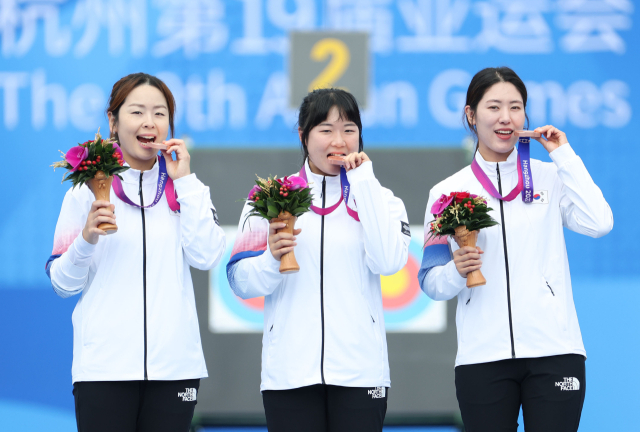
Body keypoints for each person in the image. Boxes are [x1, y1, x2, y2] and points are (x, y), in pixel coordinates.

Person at [418, 67, 613, 432]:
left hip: (555, 351)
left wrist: (564, 155)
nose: (506, 118)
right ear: (471, 115)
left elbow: (599, 222)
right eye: (493, 107)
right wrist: (456, 270)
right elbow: (431, 283)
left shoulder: (551, 177)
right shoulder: (445, 194)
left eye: (516, 107)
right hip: (482, 358)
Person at [45, 73, 226, 432]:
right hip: (103, 370)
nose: (149, 122)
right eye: (137, 112)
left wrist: (185, 181)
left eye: (160, 113)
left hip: (176, 371)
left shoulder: (188, 189)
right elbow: (62, 284)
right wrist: (85, 239)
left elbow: (207, 257)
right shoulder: (85, 191)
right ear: (113, 122)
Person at [226, 88, 410, 432]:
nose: (339, 141)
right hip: (290, 374)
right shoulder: (269, 199)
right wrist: (271, 257)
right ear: (303, 136)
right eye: (326, 130)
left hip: (361, 373)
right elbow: (239, 281)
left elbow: (388, 263)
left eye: (349, 129)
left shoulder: (382, 200)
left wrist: (364, 185)